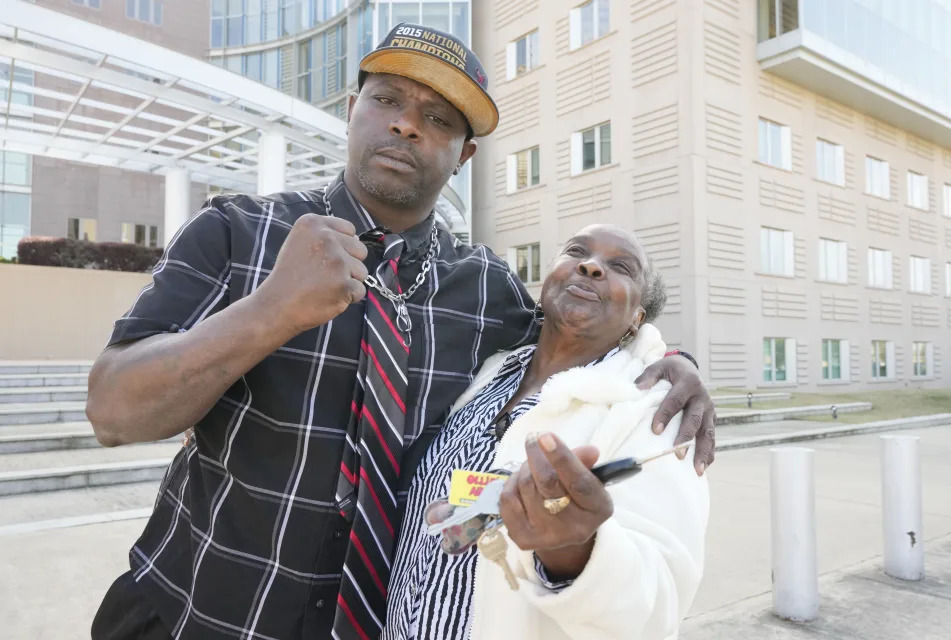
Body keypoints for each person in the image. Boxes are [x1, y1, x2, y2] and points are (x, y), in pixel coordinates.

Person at [87, 23, 716, 640]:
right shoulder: (237, 230)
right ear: (354, 107)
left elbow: (581, 339)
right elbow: (114, 414)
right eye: (387, 99)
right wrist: (271, 309)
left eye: (440, 119)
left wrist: (673, 362)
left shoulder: (488, 287)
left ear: (464, 156)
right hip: (194, 611)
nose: (408, 123)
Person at [385, 224, 709, 640]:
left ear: (638, 318)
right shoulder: (486, 369)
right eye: (577, 251)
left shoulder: (655, 412)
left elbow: (659, 603)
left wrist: (574, 552)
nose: (591, 266)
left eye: (620, 267)